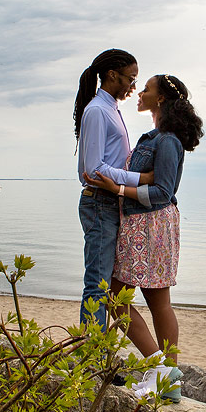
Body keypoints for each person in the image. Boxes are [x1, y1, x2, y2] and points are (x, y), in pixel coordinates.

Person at [85, 74, 203, 402]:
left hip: (149, 225)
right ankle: (168, 380)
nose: (139, 92)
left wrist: (117, 188)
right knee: (152, 302)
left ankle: (162, 372)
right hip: (146, 225)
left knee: (119, 299)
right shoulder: (156, 136)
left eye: (147, 88)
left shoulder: (166, 140)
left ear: (161, 98)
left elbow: (164, 191)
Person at [73, 49, 151, 328]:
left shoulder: (110, 109)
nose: (134, 86)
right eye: (130, 79)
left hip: (109, 202)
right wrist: (139, 178)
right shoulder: (97, 111)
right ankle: (91, 356)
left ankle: (98, 352)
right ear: (112, 75)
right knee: (97, 284)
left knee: (107, 285)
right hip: (99, 203)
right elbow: (93, 168)